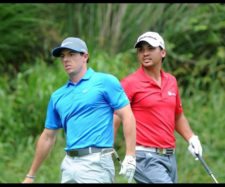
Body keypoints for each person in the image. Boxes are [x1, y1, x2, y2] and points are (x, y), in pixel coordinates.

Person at [22, 37, 136, 183]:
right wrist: (30, 175)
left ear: (85, 56)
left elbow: (127, 115)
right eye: (63, 56)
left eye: (71, 54)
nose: (66, 59)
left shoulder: (105, 82)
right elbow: (48, 136)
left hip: (96, 162)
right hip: (69, 164)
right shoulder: (58, 96)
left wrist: (130, 155)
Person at [114, 31, 203, 183]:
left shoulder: (171, 81)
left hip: (169, 157)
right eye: (141, 50)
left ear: (162, 52)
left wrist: (191, 138)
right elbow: (116, 116)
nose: (145, 53)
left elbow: (177, 115)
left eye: (150, 48)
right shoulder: (130, 83)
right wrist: (107, 149)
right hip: (145, 157)